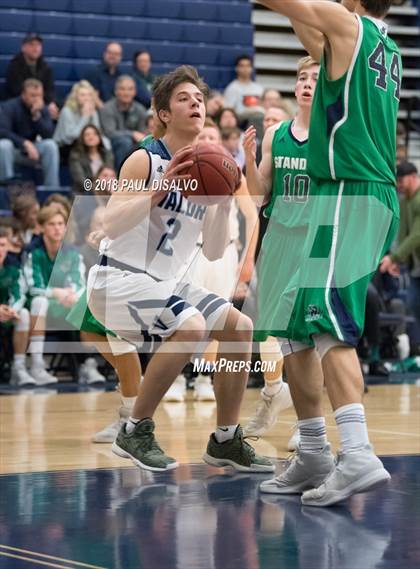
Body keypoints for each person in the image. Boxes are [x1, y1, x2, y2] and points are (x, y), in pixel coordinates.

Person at [247, 0, 401, 506]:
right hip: (338, 195)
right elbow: (306, 27)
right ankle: (314, 450)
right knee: (296, 326)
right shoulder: (376, 42)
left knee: (327, 324)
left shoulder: (351, 27)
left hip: (350, 191)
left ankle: (356, 453)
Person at [87, 65, 274, 473]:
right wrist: (158, 191)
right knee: (191, 327)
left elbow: (210, 253)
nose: (196, 103)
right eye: (184, 98)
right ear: (163, 113)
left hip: (166, 283)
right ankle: (134, 429)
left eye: (200, 98)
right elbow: (111, 224)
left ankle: (225, 439)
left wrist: (223, 201)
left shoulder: (208, 172)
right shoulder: (144, 160)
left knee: (239, 328)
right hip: (117, 279)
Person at [243, 56, 319, 441]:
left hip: (313, 241)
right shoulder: (276, 133)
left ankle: (308, 425)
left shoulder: (332, 133)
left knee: (307, 336)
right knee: (272, 332)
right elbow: (258, 194)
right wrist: (248, 160)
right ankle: (277, 397)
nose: (307, 83)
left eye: (315, 78)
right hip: (277, 238)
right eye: (302, 77)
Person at [164, 118, 260, 402]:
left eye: (212, 136)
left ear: (219, 142)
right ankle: (177, 378)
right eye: (202, 135)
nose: (206, 140)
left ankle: (205, 376)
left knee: (217, 318)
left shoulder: (232, 173)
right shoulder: (181, 167)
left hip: (224, 252)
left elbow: (252, 216)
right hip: (187, 250)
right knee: (181, 315)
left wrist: (248, 261)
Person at [24, 205, 87, 385]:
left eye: (61, 224)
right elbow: (33, 286)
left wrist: (70, 296)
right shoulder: (33, 252)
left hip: (63, 305)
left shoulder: (72, 252)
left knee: (82, 303)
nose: (58, 228)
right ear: (42, 227)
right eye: (52, 224)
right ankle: (36, 365)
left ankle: (86, 364)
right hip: (38, 308)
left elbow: (79, 282)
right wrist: (55, 292)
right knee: (39, 301)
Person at [0, 79, 60, 187]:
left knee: (50, 146)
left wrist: (36, 117)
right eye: (33, 95)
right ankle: (7, 189)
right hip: (14, 151)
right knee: (3, 145)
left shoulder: (43, 108)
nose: (37, 99)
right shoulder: (9, 107)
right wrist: (24, 143)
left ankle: (52, 190)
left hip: (33, 152)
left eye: (39, 95)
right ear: (23, 95)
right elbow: (3, 131)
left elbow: (49, 134)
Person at [381, 162, 420, 324]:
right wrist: (399, 261)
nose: (399, 185)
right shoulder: (405, 202)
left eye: (401, 180)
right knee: (412, 307)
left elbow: (417, 235)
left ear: (413, 177)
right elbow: (404, 234)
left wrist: (394, 258)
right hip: (415, 269)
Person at [0, 227, 35, 386]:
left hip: (6, 314)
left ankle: (19, 368)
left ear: (7, 247)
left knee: (24, 314)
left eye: (2, 245)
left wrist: (12, 308)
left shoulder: (13, 268)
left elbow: (19, 293)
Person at [5, 33, 59, 120]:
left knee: (57, 108)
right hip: (20, 105)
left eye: (38, 45)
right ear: (23, 48)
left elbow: (50, 90)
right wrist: (35, 102)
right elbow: (16, 91)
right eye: (32, 45)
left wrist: (51, 103)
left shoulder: (46, 67)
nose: (35, 48)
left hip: (41, 103)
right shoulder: (14, 67)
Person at [99, 76, 148, 169]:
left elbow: (142, 134)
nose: (126, 93)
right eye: (122, 89)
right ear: (116, 91)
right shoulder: (107, 108)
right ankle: (121, 176)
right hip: (110, 145)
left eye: (130, 89)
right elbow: (110, 133)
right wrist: (132, 134)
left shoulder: (140, 109)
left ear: (134, 92)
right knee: (124, 142)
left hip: (134, 145)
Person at [53, 80, 105, 151]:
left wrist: (93, 115)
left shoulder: (92, 110)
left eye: (89, 95)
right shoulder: (67, 111)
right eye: (82, 95)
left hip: (83, 144)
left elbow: (97, 132)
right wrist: (85, 116)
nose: (86, 98)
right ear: (75, 97)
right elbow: (72, 136)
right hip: (64, 147)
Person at [69, 125, 114, 194]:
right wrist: (96, 189)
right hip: (84, 192)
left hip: (106, 190)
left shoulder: (107, 154)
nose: (91, 137)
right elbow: (81, 181)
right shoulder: (76, 156)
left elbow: (110, 175)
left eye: (95, 134)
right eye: (87, 135)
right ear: (82, 138)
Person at [223, 55, 264, 120]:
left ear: (252, 68)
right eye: (242, 66)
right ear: (237, 68)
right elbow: (228, 110)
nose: (245, 69)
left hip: (259, 118)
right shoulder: (232, 88)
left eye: (248, 66)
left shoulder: (259, 88)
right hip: (241, 121)